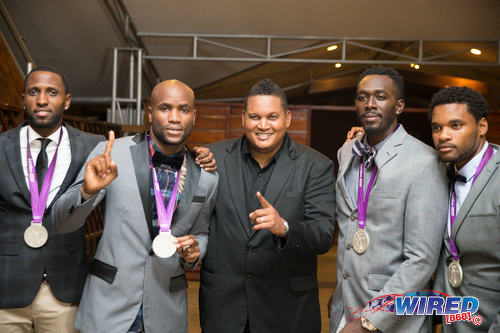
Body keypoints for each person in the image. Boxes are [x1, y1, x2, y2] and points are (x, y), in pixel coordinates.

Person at [51, 79, 218, 333]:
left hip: (166, 309)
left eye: (183, 109)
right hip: (108, 306)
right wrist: (87, 191)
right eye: (165, 108)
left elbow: (203, 233)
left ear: (193, 116)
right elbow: (62, 223)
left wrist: (197, 251)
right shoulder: (111, 154)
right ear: (150, 113)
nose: (174, 118)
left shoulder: (208, 175)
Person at [199, 79, 336, 333]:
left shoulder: (315, 166)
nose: (263, 125)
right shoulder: (213, 158)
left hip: (287, 312)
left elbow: (322, 236)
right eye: (255, 116)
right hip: (224, 311)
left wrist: (283, 226)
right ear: (243, 119)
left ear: (287, 118)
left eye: (272, 116)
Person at [331, 66, 448, 333]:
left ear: (399, 106)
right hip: (343, 310)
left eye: (380, 97)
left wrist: (368, 321)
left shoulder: (426, 162)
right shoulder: (347, 152)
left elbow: (421, 260)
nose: (370, 104)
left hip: (393, 321)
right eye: (363, 97)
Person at [0, 67, 104, 332]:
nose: (42, 100)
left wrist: (195, 157)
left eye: (52, 92)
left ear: (67, 100)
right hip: (7, 286)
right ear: (23, 98)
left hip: (64, 289)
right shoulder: (1, 146)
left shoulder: (94, 146)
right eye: (34, 92)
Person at [430, 86, 499, 333]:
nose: (443, 136)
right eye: (437, 128)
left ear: (482, 127)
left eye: (455, 125)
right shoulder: (438, 172)